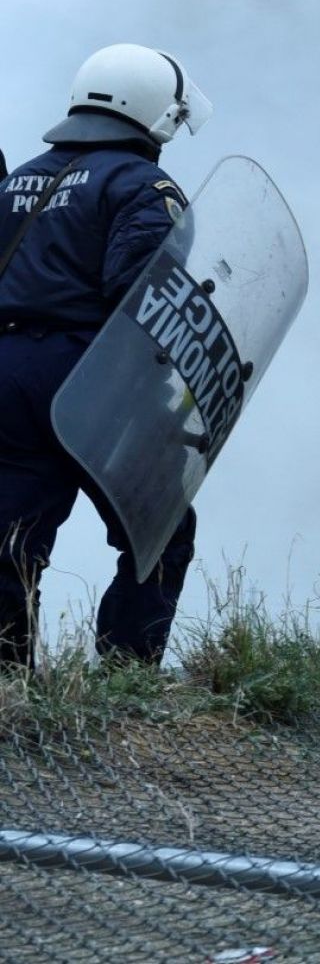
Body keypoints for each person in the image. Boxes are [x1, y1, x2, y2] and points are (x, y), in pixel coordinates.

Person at [0, 45, 211, 668]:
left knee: (12, 540)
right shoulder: (144, 184)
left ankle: (9, 687)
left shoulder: (18, 180)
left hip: (7, 373)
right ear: (157, 113)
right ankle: (126, 675)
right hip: (90, 376)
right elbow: (140, 296)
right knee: (158, 532)